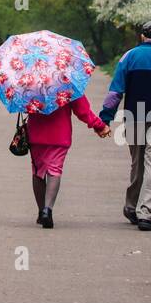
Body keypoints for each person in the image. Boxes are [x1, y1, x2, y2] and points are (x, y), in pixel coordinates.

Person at [97, 20, 151, 232]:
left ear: (142, 36)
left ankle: (131, 206)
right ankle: (146, 214)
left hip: (134, 118)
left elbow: (115, 92)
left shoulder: (129, 57)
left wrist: (105, 117)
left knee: (137, 163)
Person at [28, 93, 111, 228]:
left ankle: (41, 211)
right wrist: (99, 125)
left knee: (38, 171)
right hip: (60, 134)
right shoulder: (66, 82)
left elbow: (23, 105)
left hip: (36, 133)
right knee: (55, 169)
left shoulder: (29, 82)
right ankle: (47, 210)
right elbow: (82, 110)